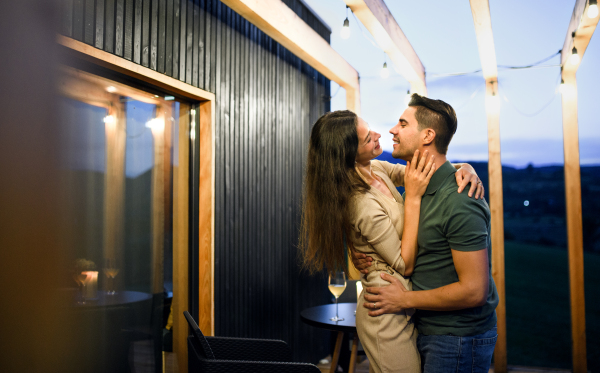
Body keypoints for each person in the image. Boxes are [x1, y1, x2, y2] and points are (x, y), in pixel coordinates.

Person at [299, 109, 484, 373]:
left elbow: (425, 171)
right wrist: (414, 199)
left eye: (370, 128)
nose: (379, 134)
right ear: (348, 154)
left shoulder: (376, 169)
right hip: (384, 309)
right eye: (367, 139)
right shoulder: (360, 201)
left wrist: (465, 168)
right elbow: (404, 264)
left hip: (405, 302)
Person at [352, 94, 499, 373]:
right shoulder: (414, 187)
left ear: (428, 135)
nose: (392, 130)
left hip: (457, 338)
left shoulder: (460, 200)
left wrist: (404, 300)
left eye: (402, 123)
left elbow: (475, 291)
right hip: (426, 327)